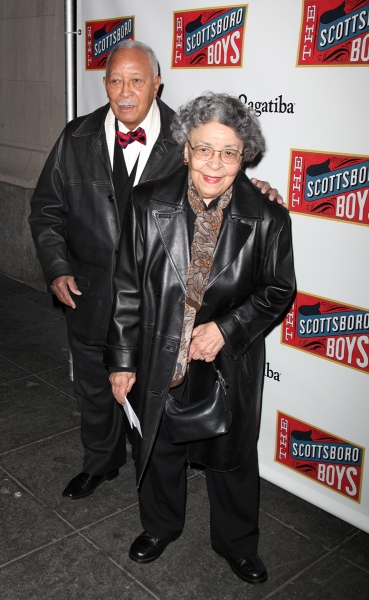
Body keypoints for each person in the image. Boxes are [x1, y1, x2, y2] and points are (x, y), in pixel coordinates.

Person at [29, 40, 283, 501]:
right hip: (89, 293)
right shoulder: (76, 136)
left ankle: (156, 476)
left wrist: (256, 188)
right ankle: (100, 462)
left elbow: (220, 172)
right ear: (104, 84)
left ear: (156, 83)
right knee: (94, 389)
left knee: (155, 399)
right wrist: (57, 267)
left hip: (157, 305)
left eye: (137, 80)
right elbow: (46, 209)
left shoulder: (186, 135)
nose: (124, 91)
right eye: (114, 80)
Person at [105, 92, 295, 585]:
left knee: (231, 458)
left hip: (228, 363)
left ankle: (236, 543)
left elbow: (278, 290)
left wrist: (227, 329)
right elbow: (127, 287)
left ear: (245, 155)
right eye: (204, 149)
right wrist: (122, 360)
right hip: (158, 355)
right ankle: (160, 526)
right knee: (159, 446)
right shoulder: (148, 204)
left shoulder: (268, 218)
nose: (215, 163)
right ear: (185, 150)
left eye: (230, 152)